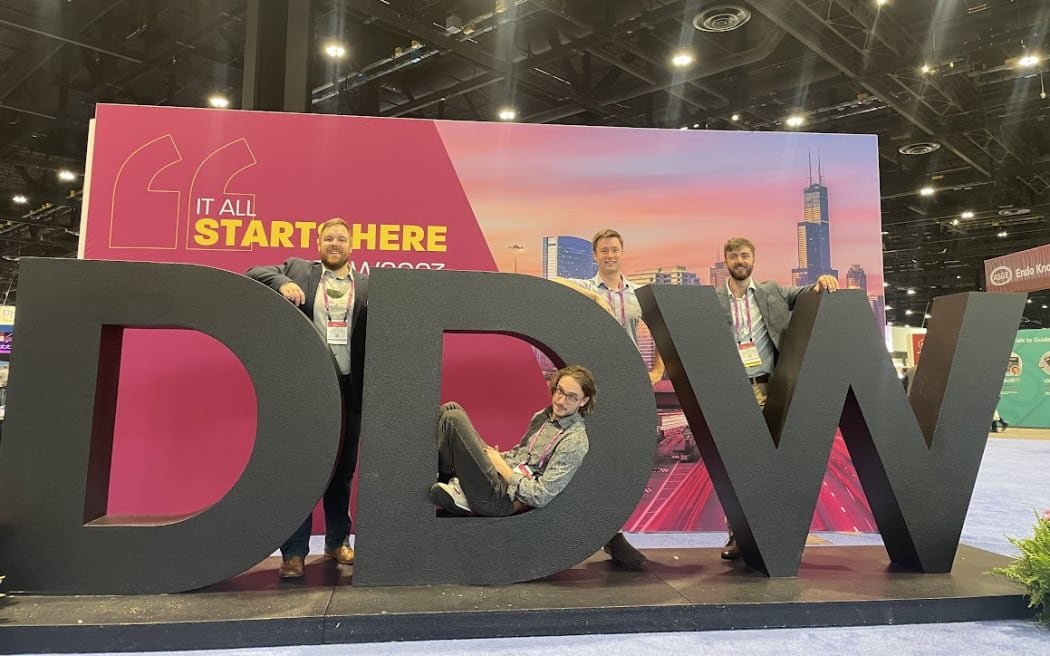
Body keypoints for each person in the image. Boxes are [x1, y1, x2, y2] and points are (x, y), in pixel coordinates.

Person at [246, 217, 367, 579]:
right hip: (310, 386)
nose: (335, 243)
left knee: (343, 470)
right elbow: (254, 271)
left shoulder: (365, 284)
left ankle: (336, 541)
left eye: (341, 238)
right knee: (303, 469)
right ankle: (294, 553)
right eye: (328, 238)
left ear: (351, 245)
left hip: (350, 387)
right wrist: (282, 283)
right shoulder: (298, 270)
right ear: (319, 244)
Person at [715, 236, 838, 559]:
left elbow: (806, 293)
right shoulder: (713, 299)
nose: (739, 260)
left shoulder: (772, 292)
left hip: (772, 388)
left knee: (776, 463)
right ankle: (736, 535)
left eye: (744, 255)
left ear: (753, 259)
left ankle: (773, 533)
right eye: (733, 256)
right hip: (732, 391)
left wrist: (822, 280)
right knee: (739, 466)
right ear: (725, 261)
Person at [553, 228, 663, 569]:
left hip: (629, 386)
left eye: (615, 249)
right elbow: (555, 283)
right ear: (596, 256)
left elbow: (661, 330)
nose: (610, 255)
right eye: (604, 250)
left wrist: (657, 370)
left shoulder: (637, 295)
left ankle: (613, 532)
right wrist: (596, 299)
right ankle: (605, 533)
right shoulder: (588, 288)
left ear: (622, 252)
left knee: (623, 458)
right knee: (591, 456)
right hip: (596, 386)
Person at [431, 364, 596, 517]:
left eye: (571, 397)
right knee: (451, 408)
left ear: (584, 401)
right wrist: (497, 457)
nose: (561, 401)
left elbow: (541, 495)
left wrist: (501, 467)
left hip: (502, 499)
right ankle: (452, 484)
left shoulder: (575, 440)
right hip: (499, 477)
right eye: (560, 391)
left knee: (453, 419)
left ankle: (448, 481)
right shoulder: (543, 417)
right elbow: (521, 455)